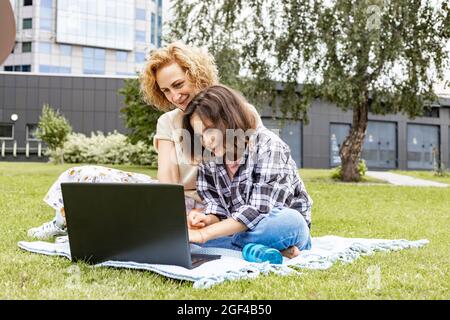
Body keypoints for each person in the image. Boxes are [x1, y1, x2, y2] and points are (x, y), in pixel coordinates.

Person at [28, 41, 262, 239]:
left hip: (224, 204)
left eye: (178, 84)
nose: (175, 96)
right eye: (166, 91)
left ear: (198, 75)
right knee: (86, 175)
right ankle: (63, 223)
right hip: (179, 202)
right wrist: (169, 213)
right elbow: (168, 183)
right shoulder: (168, 122)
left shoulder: (241, 112)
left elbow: (258, 169)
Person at [182, 85, 312, 258]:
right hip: (235, 229)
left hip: (275, 226)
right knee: (193, 230)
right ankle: (256, 250)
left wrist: (204, 235)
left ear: (230, 117)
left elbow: (258, 210)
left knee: (290, 222)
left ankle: (225, 246)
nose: (206, 141)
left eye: (210, 130)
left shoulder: (269, 146)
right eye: (199, 135)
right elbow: (217, 208)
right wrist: (207, 220)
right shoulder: (209, 159)